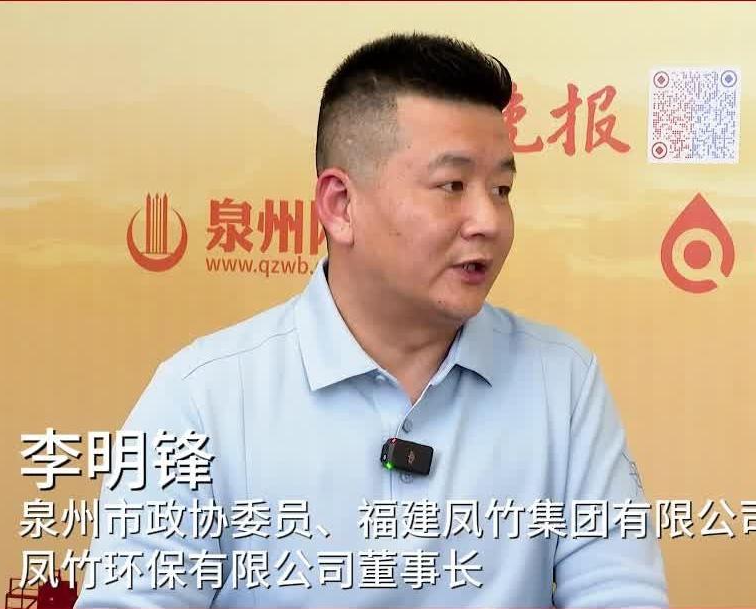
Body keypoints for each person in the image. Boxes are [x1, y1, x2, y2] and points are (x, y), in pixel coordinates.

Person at [76, 32, 667, 608]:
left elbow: (620, 593)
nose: (489, 220)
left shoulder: (562, 381)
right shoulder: (202, 397)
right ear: (340, 206)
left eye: (502, 189)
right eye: (452, 185)